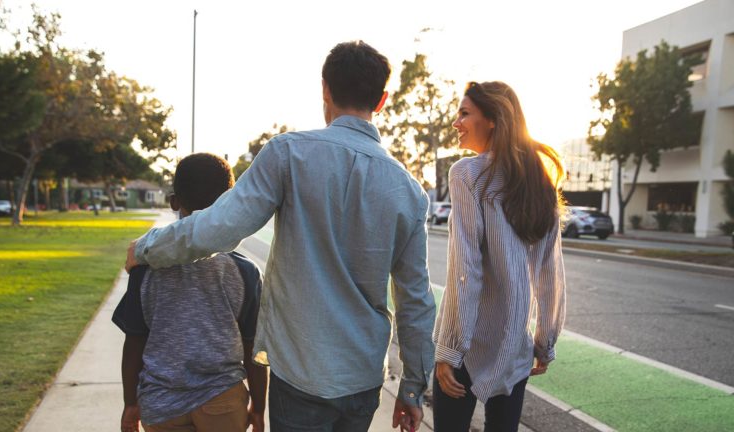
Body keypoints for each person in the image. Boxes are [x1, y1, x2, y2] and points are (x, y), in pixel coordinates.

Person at [124, 40, 436, 432]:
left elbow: (217, 228)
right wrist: (412, 387)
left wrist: (148, 247)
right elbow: (416, 300)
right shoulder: (409, 190)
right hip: (362, 376)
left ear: (325, 88)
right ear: (383, 99)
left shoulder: (289, 154)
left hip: (300, 371)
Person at [432, 81, 566, 432]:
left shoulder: (467, 174)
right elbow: (550, 274)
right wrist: (544, 343)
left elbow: (466, 270)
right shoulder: (541, 184)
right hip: (514, 349)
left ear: (492, 119)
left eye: (464, 113)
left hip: (468, 345)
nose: (456, 122)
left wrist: (449, 349)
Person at [113, 153, 267, 432]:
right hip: (223, 400)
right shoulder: (244, 271)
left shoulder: (144, 269)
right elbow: (253, 347)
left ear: (174, 201)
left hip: (161, 404)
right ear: (229, 203)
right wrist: (258, 407)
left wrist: (130, 403)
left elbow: (134, 342)